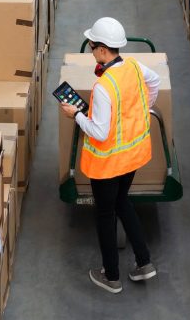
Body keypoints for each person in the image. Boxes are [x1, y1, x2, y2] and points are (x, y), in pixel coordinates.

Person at [60, 17, 161, 294]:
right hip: (132, 157)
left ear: (103, 50)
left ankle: (112, 276)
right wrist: (141, 110)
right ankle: (144, 262)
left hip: (107, 166)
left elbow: (99, 132)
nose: (91, 51)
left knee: (105, 214)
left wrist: (76, 114)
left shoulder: (104, 88)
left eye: (92, 47)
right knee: (122, 203)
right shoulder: (134, 67)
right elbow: (155, 81)